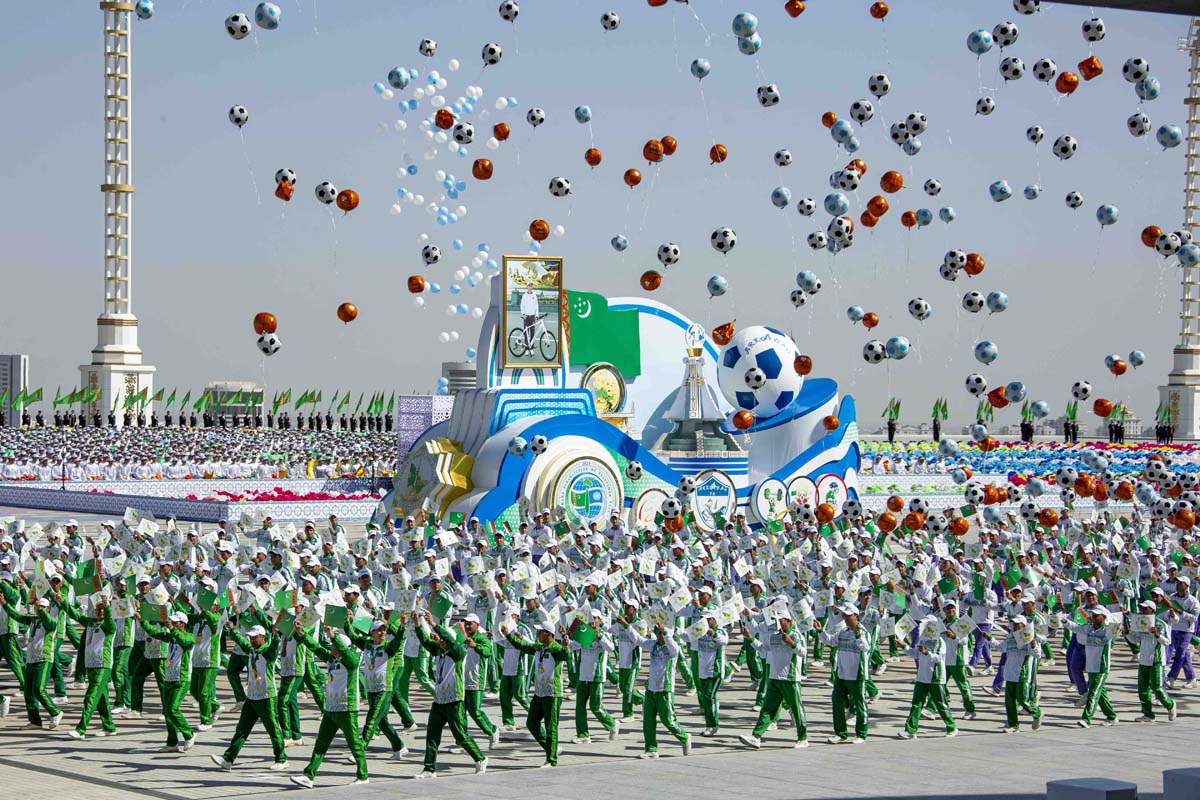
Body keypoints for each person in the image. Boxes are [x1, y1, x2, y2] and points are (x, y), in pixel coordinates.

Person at [290, 623, 369, 788]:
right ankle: (308, 775)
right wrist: (302, 633)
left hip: (347, 709)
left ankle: (363, 776)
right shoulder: (331, 659)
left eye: (334, 646)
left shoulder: (352, 662)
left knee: (354, 743)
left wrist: (333, 636)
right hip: (331, 709)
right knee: (321, 744)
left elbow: (346, 653)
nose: (331, 648)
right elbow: (316, 647)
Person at [413, 612, 488, 779]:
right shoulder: (439, 651)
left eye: (444, 640)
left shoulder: (458, 653)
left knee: (460, 734)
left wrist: (434, 624)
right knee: (432, 735)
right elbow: (425, 641)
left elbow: (452, 642)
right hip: (439, 700)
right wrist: (417, 624)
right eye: (441, 640)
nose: (441, 642)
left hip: (455, 700)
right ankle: (429, 769)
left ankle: (480, 758)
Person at [210, 619, 287, 772]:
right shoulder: (251, 650)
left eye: (255, 637)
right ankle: (228, 759)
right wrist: (232, 630)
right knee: (242, 729)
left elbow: (274, 648)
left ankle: (281, 759)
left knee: (273, 729)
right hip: (251, 697)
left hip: (266, 697)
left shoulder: (267, 652)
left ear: (262, 637)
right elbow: (241, 641)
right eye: (251, 637)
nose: (252, 640)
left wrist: (276, 635)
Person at [502, 619, 567, 767]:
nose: (537, 634)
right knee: (531, 723)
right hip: (539, 692)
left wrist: (564, 645)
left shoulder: (556, 648)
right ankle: (552, 748)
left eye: (540, 631)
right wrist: (508, 635)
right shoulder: (539, 647)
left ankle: (551, 760)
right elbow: (524, 646)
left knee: (551, 727)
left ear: (548, 634)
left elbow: (565, 655)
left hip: (552, 694)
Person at [737, 614, 806, 749]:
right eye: (776, 620)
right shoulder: (774, 636)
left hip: (790, 679)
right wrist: (750, 637)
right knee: (767, 708)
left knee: (797, 709)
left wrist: (791, 643)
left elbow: (803, 652)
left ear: (788, 620)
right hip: (774, 677)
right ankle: (756, 736)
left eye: (780, 620)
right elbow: (763, 648)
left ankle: (803, 738)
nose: (778, 623)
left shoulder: (796, 635)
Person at [630, 619, 692, 759]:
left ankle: (684, 737)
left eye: (661, 633)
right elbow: (638, 639)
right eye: (658, 633)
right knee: (648, 721)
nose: (659, 635)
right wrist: (626, 626)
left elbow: (671, 644)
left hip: (665, 688)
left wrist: (666, 632)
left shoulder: (673, 648)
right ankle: (651, 749)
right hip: (651, 688)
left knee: (668, 720)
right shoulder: (653, 645)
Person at [62, 592, 117, 740]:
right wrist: (62, 602)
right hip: (91, 665)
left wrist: (107, 608)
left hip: (103, 665)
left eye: (102, 609)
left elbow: (109, 620)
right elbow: (76, 615)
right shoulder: (91, 623)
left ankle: (81, 729)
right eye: (98, 609)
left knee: (90, 697)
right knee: (101, 698)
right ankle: (109, 727)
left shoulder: (109, 625)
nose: (99, 612)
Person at [139, 610, 196, 753]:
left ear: (182, 624)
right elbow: (154, 633)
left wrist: (172, 629)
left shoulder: (189, 637)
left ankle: (189, 734)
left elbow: (185, 641)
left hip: (181, 679)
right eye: (172, 622)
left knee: (172, 709)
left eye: (175, 622)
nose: (172, 624)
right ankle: (172, 742)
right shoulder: (171, 636)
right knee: (167, 711)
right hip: (169, 677)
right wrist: (142, 621)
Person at [896, 617, 956, 739]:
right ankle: (911, 730)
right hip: (922, 677)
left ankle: (952, 727)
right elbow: (915, 654)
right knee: (916, 704)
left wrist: (926, 652)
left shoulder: (940, 641)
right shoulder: (922, 640)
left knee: (941, 704)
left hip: (935, 678)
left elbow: (938, 658)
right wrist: (903, 646)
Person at [824, 604, 869, 744]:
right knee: (837, 702)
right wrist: (820, 631)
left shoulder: (863, 631)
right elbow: (831, 641)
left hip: (857, 675)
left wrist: (858, 635)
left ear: (856, 616)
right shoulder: (843, 631)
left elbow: (866, 647)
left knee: (859, 705)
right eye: (844, 615)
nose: (845, 618)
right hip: (841, 674)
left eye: (848, 615)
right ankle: (840, 733)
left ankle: (861, 734)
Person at [1070, 606, 1119, 728]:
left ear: (1104, 617)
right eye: (1093, 615)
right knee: (1100, 693)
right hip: (1091, 666)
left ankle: (1086, 719)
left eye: (1097, 616)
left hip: (1101, 667)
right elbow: (1075, 627)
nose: (1094, 617)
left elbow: (1119, 629)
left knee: (1093, 693)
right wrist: (1064, 621)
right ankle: (1112, 716)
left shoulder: (1108, 630)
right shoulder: (1088, 628)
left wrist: (1122, 627)